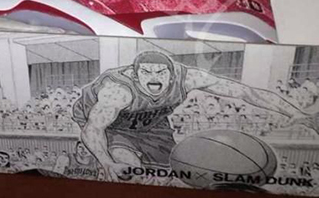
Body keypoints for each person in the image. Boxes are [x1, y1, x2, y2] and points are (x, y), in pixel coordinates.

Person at [73, 51, 319, 182]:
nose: (154, 78)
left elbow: (246, 92)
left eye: (161, 73)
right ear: (136, 77)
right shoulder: (118, 92)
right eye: (146, 73)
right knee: (128, 170)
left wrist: (297, 113)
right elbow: (94, 128)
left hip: (152, 123)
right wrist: (106, 162)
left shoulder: (189, 78)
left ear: (172, 75)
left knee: (168, 173)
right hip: (113, 125)